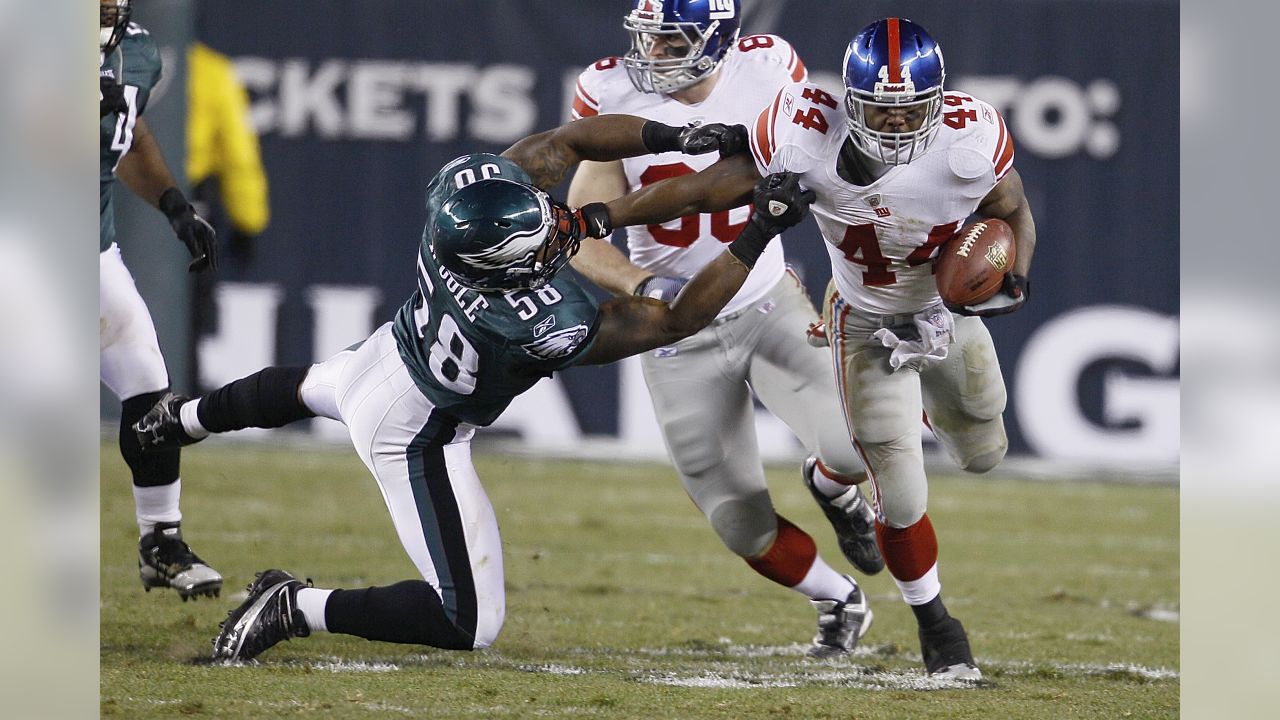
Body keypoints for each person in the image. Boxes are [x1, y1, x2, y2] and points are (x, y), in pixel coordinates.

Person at [133, 113, 816, 662]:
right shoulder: (529, 325)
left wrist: (677, 137)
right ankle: (295, 606)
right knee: (468, 620)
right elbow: (680, 318)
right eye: (542, 245)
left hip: (389, 353)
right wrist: (758, 232)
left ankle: (179, 419)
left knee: (310, 386)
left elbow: (572, 139)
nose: (558, 235)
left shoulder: (454, 209)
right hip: (417, 430)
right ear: (506, 274)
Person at [600, 17, 1038, 680]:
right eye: (878, 112)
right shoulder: (802, 130)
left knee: (984, 452)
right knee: (900, 487)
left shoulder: (972, 137)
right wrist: (602, 216)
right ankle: (938, 626)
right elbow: (712, 186)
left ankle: (830, 476)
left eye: (909, 111)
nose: (894, 127)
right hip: (864, 321)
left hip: (943, 312)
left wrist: (1016, 274)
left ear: (939, 101)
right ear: (849, 102)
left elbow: (1013, 211)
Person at [566, 0, 880, 658]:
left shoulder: (767, 71)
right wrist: (642, 286)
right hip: (673, 328)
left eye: (670, 40)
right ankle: (837, 598)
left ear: (717, 39)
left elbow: (823, 170)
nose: (650, 55)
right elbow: (579, 231)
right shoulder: (608, 90)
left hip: (764, 300)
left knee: (855, 448)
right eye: (645, 40)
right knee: (738, 521)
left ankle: (832, 490)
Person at [99, 0, 222, 600]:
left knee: (149, 384)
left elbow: (130, 133)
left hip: (87, 254)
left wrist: (175, 204)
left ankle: (160, 542)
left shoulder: (136, 52)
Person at [186, 40, 271, 389]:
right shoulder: (208, 70)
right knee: (184, 320)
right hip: (184, 207)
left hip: (111, 201)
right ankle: (173, 409)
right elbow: (238, 154)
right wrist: (247, 220)